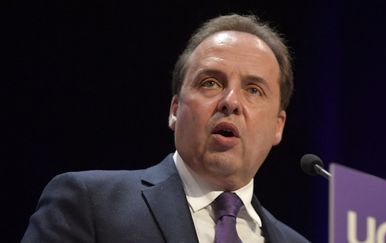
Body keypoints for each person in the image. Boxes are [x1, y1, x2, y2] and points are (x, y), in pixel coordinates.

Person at [22, 13, 309, 243]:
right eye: (211, 82)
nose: (230, 102)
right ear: (175, 110)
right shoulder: (89, 203)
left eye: (254, 90)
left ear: (277, 126)